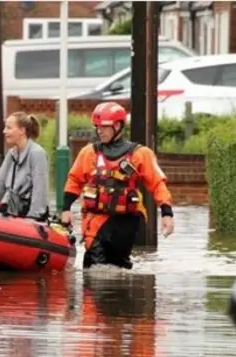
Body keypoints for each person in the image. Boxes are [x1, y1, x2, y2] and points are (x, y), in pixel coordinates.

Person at [61, 101, 175, 270]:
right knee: (94, 265)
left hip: (125, 221)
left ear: (118, 125)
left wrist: (167, 213)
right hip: (96, 218)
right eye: (97, 126)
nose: (100, 131)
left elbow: (157, 183)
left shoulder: (140, 154)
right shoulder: (89, 153)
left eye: (104, 127)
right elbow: (74, 180)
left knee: (118, 265)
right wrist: (66, 208)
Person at [0, 112, 49, 221]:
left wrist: (33, 217)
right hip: (12, 209)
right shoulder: (12, 153)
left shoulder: (36, 153)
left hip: (28, 213)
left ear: (22, 130)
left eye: (9, 128)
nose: (4, 131)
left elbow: (40, 190)